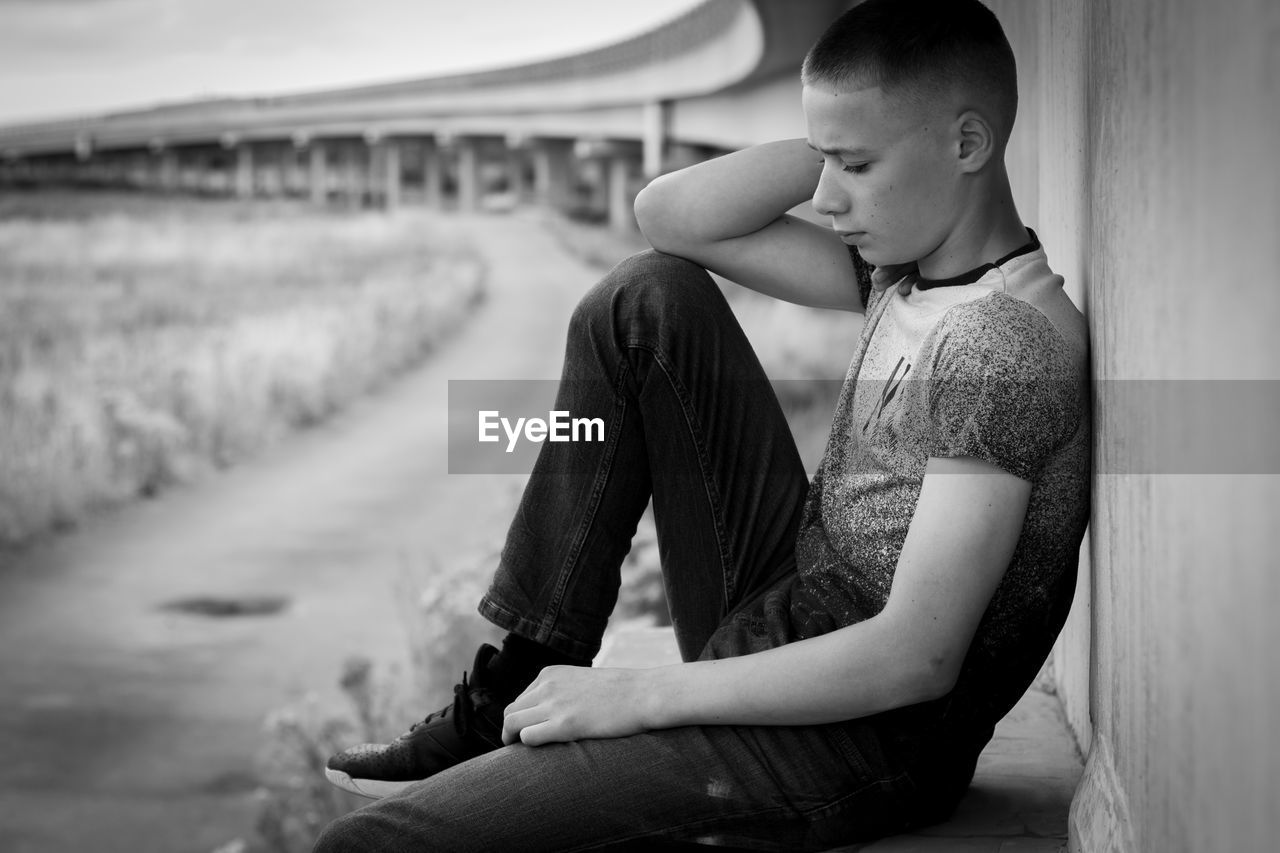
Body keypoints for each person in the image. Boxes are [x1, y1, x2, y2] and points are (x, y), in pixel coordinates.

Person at [315, 0, 1090, 849]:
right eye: (823, 160)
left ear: (968, 145)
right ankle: (523, 669)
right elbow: (669, 218)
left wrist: (636, 696)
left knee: (370, 843)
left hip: (860, 737)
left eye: (856, 165)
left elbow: (917, 657)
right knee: (644, 298)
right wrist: (847, 135)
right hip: (788, 601)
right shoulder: (903, 275)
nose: (829, 197)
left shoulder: (1000, 342)